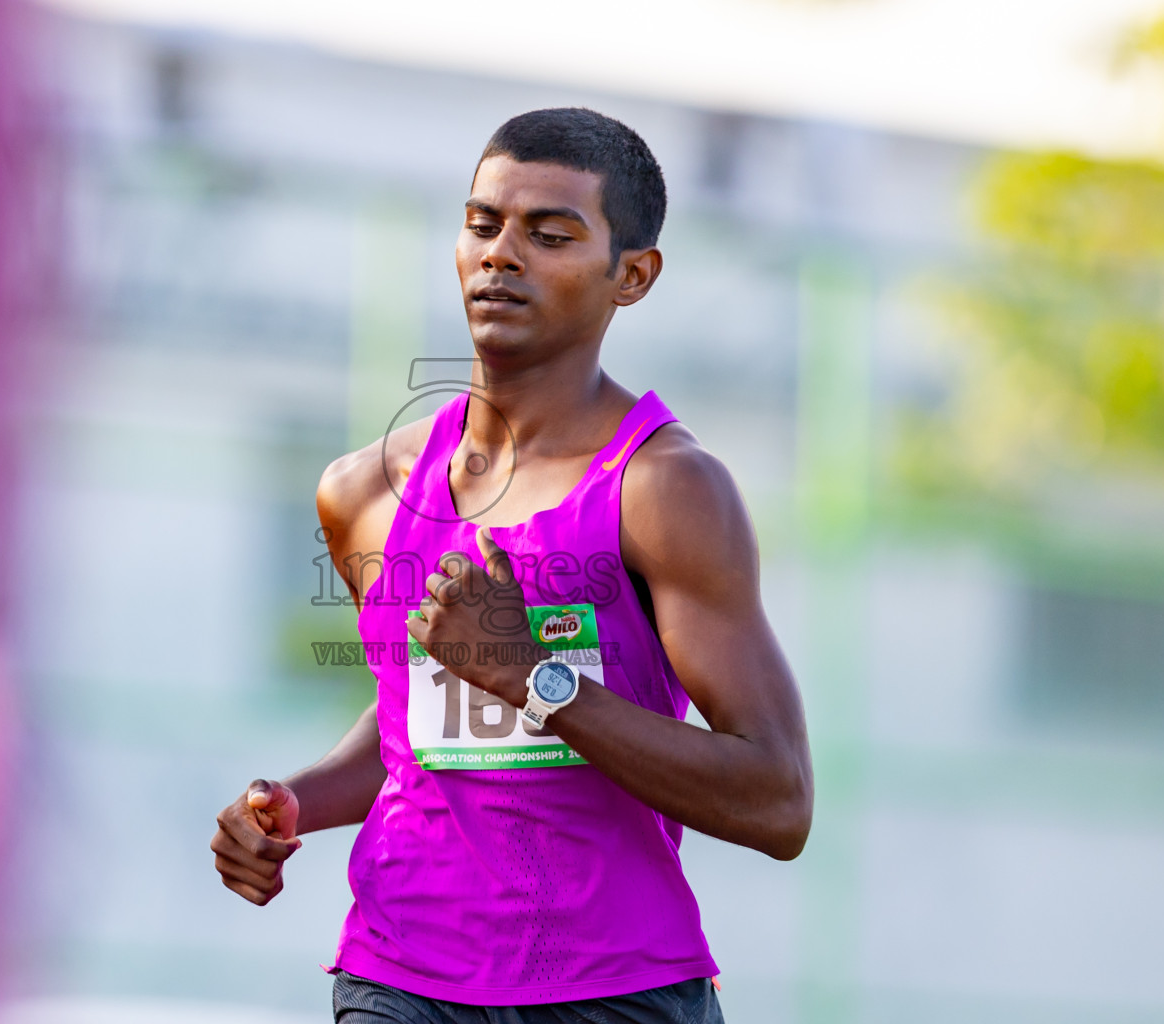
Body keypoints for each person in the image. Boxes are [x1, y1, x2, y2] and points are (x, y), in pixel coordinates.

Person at [212, 107, 813, 1023]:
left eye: (550, 234)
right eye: (483, 223)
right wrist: (295, 801)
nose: (500, 254)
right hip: (397, 976)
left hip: (613, 988)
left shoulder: (666, 491)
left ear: (633, 276)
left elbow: (777, 802)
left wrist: (535, 677)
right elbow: (416, 727)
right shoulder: (363, 492)